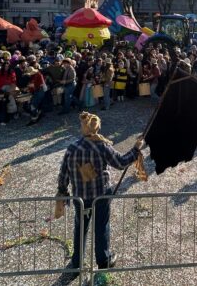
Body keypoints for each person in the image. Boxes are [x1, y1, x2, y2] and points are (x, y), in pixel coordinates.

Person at [56, 112, 144, 284]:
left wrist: (62, 190)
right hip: (101, 195)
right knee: (101, 227)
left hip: (80, 197)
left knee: (80, 228)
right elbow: (120, 162)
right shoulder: (102, 147)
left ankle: (76, 263)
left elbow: (63, 174)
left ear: (83, 128)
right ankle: (103, 260)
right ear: (97, 128)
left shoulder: (72, 148)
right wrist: (136, 149)